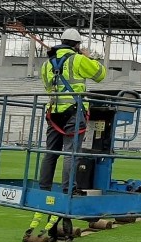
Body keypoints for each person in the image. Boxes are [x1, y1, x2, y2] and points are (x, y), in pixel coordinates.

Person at [38, 28, 107, 195]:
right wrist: (87, 57)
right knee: (71, 153)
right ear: (76, 45)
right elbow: (100, 75)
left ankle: (44, 188)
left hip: (53, 113)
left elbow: (48, 87)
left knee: (51, 152)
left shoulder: (47, 64)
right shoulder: (77, 59)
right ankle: (69, 189)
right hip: (73, 112)